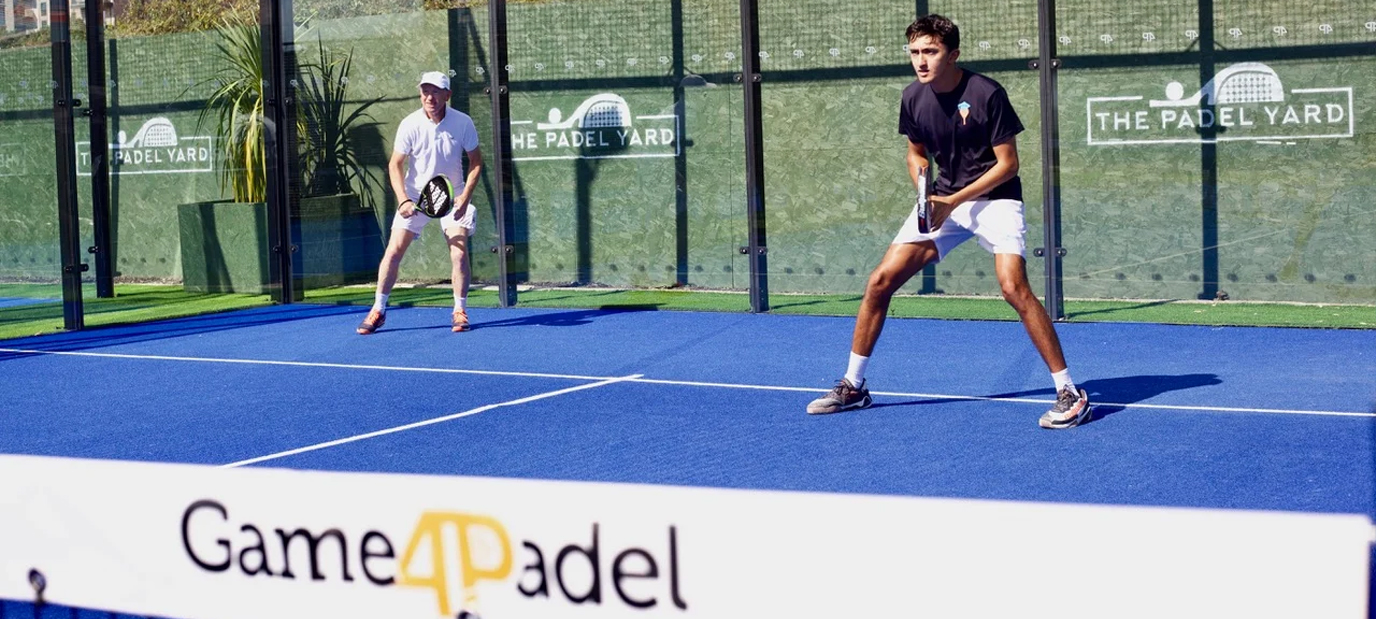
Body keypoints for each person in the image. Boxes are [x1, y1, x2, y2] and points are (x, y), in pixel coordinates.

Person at [806, 15, 1092, 429]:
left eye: (931, 52)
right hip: (942, 200)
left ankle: (1069, 391)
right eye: (915, 52)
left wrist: (951, 201)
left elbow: (1008, 165)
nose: (920, 61)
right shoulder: (912, 97)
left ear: (953, 54)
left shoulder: (986, 93)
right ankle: (854, 386)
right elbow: (916, 152)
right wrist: (925, 194)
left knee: (1014, 287)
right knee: (879, 281)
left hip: (995, 199)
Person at [357, 71, 483, 335]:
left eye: (436, 91)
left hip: (452, 196)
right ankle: (378, 309)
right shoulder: (410, 124)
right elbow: (395, 164)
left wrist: (465, 197)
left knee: (459, 253)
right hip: (415, 196)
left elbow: (476, 162)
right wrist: (403, 199)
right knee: (392, 252)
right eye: (425, 91)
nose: (429, 96)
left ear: (447, 95)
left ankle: (459, 310)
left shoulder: (463, 123)